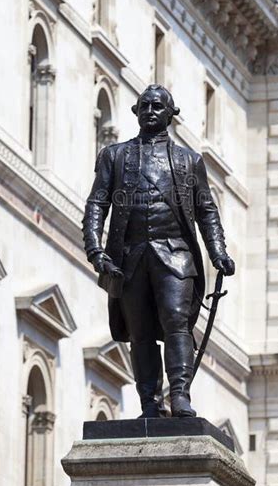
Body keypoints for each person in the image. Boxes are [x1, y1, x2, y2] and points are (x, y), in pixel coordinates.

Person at [83, 84, 235, 418]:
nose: (151, 111)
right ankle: (149, 404)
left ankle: (180, 395)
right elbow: (97, 203)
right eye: (145, 106)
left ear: (170, 114)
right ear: (136, 112)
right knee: (141, 333)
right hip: (129, 257)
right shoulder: (114, 156)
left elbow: (206, 210)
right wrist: (95, 249)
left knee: (176, 321)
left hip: (176, 255)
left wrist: (217, 252)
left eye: (158, 106)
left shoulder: (188, 161)